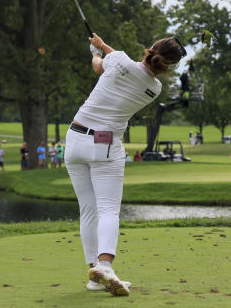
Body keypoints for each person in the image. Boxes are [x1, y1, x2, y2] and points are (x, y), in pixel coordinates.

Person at [66, 32, 185, 296]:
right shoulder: (154, 89)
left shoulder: (118, 60)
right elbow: (118, 59)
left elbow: (101, 65)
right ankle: (104, 266)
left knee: (88, 210)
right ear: (169, 65)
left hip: (74, 139)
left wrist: (95, 52)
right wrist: (101, 46)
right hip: (105, 144)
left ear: (150, 48)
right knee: (108, 210)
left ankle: (96, 275)